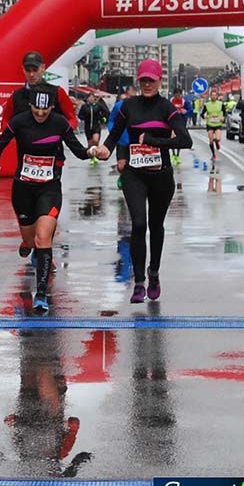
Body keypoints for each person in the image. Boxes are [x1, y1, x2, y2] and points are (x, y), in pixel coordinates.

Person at [94, 60, 192, 304]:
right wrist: (106, 149)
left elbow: (185, 140)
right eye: (143, 80)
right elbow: (115, 135)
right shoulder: (129, 106)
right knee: (138, 224)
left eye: (152, 80)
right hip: (134, 174)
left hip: (161, 175)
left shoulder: (166, 107)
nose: (147, 84)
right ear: (138, 81)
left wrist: (154, 141)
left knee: (156, 225)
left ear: (160, 81)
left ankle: (154, 273)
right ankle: (138, 282)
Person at [0, 88, 91, 312]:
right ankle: (27, 244)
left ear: (52, 107)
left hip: (49, 188)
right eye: (36, 109)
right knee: (30, 240)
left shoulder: (60, 123)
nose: (41, 113)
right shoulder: (19, 121)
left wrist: (93, 151)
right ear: (30, 106)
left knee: (43, 237)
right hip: (23, 189)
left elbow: (78, 151)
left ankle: (41, 294)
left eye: (45, 109)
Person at [9, 52, 78, 128]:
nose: (31, 74)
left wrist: (62, 132)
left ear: (43, 68)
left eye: (35, 70)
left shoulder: (58, 92)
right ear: (23, 69)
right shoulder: (16, 95)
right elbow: (5, 121)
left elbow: (72, 119)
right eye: (28, 70)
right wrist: (12, 135)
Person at [78, 93, 109, 164]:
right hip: (88, 127)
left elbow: (106, 112)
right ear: (87, 99)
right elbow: (80, 115)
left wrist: (103, 119)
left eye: (92, 97)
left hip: (96, 126)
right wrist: (84, 118)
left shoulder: (98, 106)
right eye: (90, 97)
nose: (91, 99)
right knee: (90, 144)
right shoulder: (84, 106)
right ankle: (92, 158)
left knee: (95, 140)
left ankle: (96, 155)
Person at [202, 91, 226, 160]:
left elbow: (225, 113)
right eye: (212, 95)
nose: (213, 96)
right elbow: (202, 114)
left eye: (215, 95)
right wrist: (205, 117)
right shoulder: (207, 105)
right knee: (211, 140)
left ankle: (217, 142)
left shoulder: (221, 104)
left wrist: (223, 118)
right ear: (210, 96)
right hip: (210, 124)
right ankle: (213, 154)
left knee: (218, 138)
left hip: (218, 124)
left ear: (217, 96)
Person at [169, 88, 188, 165]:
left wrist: (186, 111)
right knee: (173, 139)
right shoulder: (171, 101)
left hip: (181, 123)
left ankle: (178, 155)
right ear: (174, 95)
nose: (177, 97)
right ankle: (173, 154)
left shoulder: (184, 102)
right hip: (172, 123)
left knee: (179, 140)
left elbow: (190, 110)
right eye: (176, 95)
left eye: (179, 95)